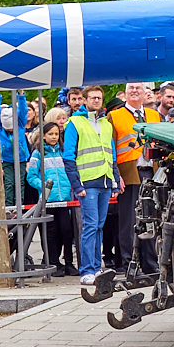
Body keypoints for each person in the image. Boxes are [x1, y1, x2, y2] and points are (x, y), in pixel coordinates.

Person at [64, 85, 122, 285]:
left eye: (99, 98)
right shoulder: (75, 122)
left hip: (104, 180)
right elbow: (69, 156)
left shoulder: (106, 123)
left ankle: (96, 268)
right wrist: (76, 184)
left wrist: (114, 179)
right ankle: (87, 269)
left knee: (98, 226)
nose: (96, 101)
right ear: (85, 100)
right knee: (90, 226)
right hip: (87, 182)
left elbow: (111, 153)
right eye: (92, 98)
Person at [108, 83, 161, 273]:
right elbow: (110, 148)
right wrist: (116, 175)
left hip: (152, 173)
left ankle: (151, 263)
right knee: (129, 221)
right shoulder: (114, 116)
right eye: (131, 87)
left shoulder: (154, 115)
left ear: (145, 92)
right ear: (126, 91)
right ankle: (129, 263)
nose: (135, 90)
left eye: (138, 87)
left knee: (151, 220)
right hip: (129, 173)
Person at [27, 121, 76, 276]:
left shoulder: (63, 151)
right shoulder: (38, 153)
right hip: (49, 200)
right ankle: (53, 261)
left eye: (56, 134)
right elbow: (31, 176)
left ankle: (69, 262)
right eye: (50, 134)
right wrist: (44, 187)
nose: (54, 137)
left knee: (67, 231)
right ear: (43, 135)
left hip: (65, 199)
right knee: (51, 232)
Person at [0, 92, 31, 207]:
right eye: (8, 128)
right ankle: (9, 205)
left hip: (21, 158)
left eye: (12, 128)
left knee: (20, 182)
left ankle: (19, 204)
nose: (10, 130)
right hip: (6, 160)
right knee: (9, 183)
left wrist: (21, 96)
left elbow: (23, 109)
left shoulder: (20, 123)